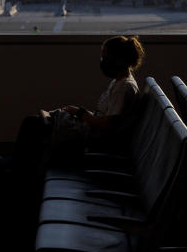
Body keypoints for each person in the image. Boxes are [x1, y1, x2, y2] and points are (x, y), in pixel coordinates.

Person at [11, 35, 145, 180]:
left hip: (95, 139)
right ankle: (20, 169)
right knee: (35, 123)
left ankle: (18, 172)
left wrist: (81, 114)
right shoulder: (118, 83)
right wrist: (82, 113)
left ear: (118, 59)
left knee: (33, 124)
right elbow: (105, 117)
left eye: (105, 57)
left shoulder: (124, 88)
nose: (102, 62)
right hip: (93, 131)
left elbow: (107, 124)